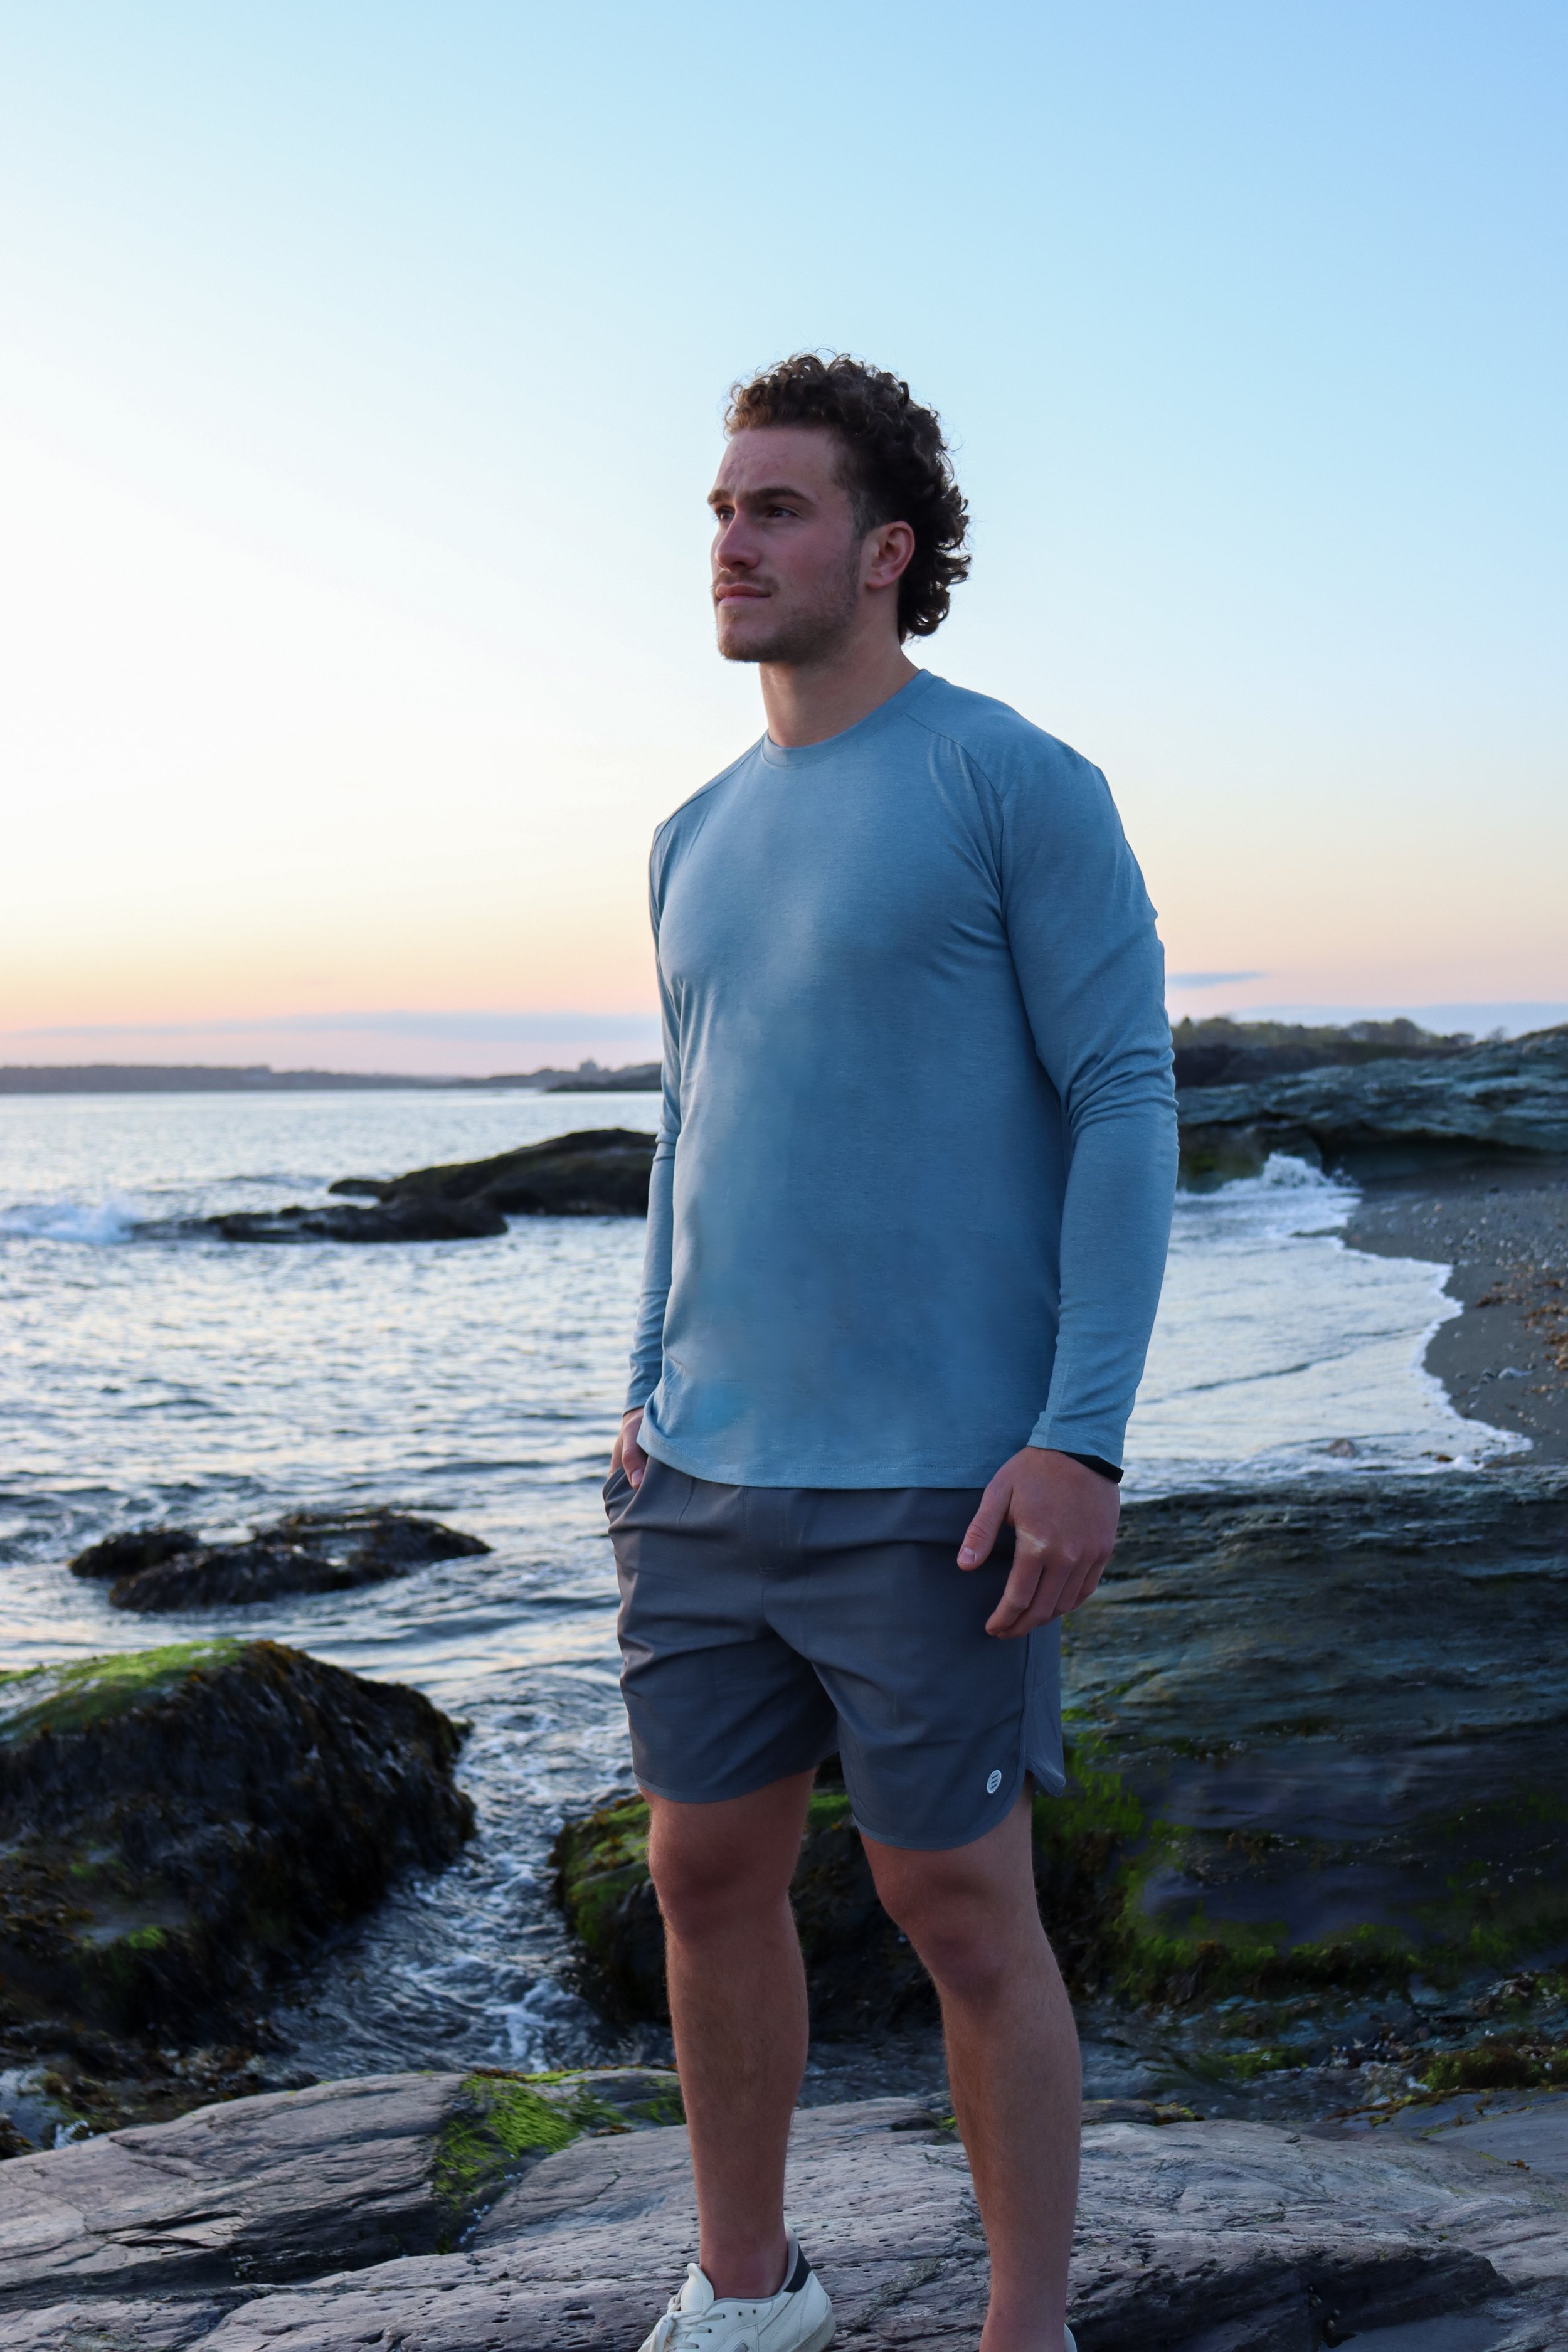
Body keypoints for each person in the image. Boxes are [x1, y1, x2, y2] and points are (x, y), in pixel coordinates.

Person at [606, 352, 1177, 2352]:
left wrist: (1079, 1439)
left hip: (937, 1477)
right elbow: (688, 1127)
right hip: (702, 1468)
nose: (728, 542)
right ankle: (745, 2292)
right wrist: (642, 1385)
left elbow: (1122, 1096)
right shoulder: (687, 835)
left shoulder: (1009, 780)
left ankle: (1028, 2329)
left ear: (885, 549)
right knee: (700, 1875)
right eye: (717, 508)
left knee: (958, 1910)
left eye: (773, 508)